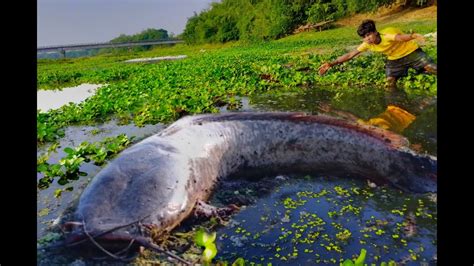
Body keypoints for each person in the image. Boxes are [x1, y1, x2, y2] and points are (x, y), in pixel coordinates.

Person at [318, 19, 437, 91]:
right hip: (394, 59)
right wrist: (331, 64)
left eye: (369, 35)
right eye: (364, 37)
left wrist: (412, 36)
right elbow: (350, 54)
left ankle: (422, 69)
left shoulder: (386, 35)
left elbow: (400, 37)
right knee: (389, 84)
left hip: (411, 52)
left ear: (375, 32)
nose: (367, 39)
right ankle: (397, 107)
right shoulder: (367, 44)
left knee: (433, 68)